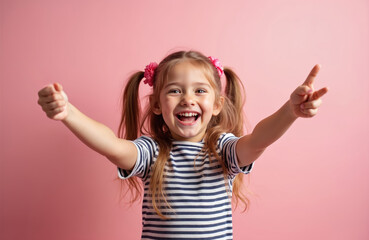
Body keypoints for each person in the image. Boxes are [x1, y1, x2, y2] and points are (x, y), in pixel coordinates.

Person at [37, 50, 328, 239]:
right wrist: (68, 113)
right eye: (175, 90)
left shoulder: (224, 150)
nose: (188, 98)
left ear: (216, 105)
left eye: (200, 90)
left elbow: (259, 139)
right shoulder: (151, 153)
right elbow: (112, 145)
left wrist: (289, 112)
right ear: (156, 104)